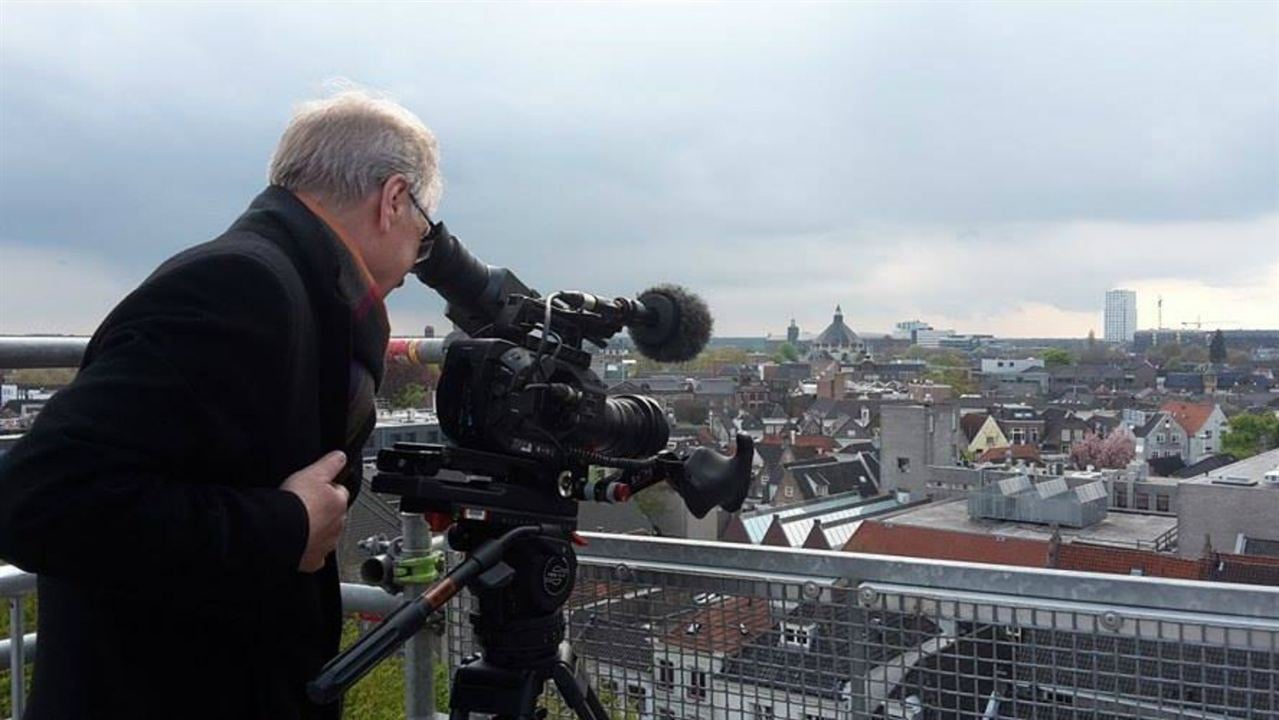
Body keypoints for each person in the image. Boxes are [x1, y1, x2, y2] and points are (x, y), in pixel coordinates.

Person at [0, 88, 442, 718]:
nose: (416, 257)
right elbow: (37, 500)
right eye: (423, 233)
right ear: (394, 199)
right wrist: (286, 525)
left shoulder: (294, 290)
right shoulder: (239, 286)